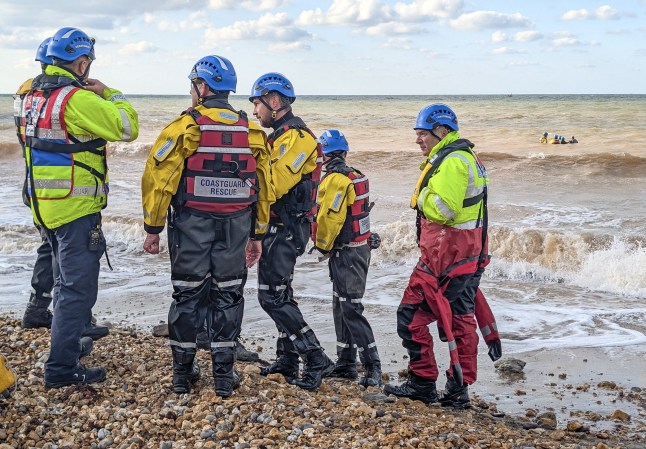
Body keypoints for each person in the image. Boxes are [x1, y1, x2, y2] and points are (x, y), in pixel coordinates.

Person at [142, 55, 272, 398]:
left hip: (191, 227)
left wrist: (152, 227)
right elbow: (264, 188)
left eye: (193, 86)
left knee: (188, 295)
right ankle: (224, 378)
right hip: (236, 229)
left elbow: (160, 179)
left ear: (202, 87)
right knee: (228, 295)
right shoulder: (252, 131)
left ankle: (182, 377)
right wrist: (257, 234)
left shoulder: (185, 126)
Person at [20, 26, 139, 388]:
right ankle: (61, 370)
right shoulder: (77, 99)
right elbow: (127, 126)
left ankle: (68, 343)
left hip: (44, 205)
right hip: (75, 207)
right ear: (82, 62)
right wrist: (111, 93)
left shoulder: (32, 96)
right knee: (76, 290)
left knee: (62, 280)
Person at [383, 104, 493, 409]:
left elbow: (445, 210)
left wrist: (421, 197)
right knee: (461, 318)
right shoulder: (465, 157)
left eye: (422, 134)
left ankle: (422, 383)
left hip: (446, 259)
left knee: (410, 317)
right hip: (467, 256)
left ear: (440, 131)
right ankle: (459, 390)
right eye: (417, 135)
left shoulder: (453, 162)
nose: (418, 140)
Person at [15, 39, 110, 340]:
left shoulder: (28, 93)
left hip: (38, 185)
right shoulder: (69, 96)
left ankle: (39, 307)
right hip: (66, 191)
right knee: (69, 261)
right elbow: (123, 127)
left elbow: (28, 138)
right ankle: (72, 322)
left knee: (51, 248)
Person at [248, 72, 333, 391]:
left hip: (286, 227)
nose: (256, 112)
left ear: (273, 101)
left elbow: (276, 183)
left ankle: (315, 357)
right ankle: (287, 359)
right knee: (281, 293)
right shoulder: (280, 136)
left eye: (257, 104)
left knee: (271, 297)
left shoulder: (297, 138)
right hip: (281, 225)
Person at [312, 129, 383, 387]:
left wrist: (322, 246)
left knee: (351, 308)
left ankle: (372, 365)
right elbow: (359, 216)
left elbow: (329, 219)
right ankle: (345, 363)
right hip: (359, 249)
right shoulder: (357, 175)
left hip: (346, 254)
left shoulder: (335, 180)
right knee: (341, 305)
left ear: (324, 154)